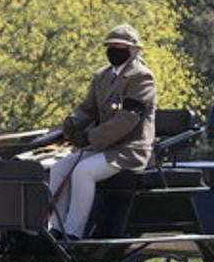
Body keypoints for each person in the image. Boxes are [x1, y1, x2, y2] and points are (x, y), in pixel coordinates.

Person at [49, 24, 157, 239]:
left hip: (129, 150)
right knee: (59, 168)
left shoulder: (142, 78)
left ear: (133, 50)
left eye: (120, 47)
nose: (114, 50)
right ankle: (56, 229)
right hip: (102, 148)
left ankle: (73, 233)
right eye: (111, 46)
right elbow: (87, 108)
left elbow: (127, 119)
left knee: (84, 171)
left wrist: (89, 137)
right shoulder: (102, 76)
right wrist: (72, 123)